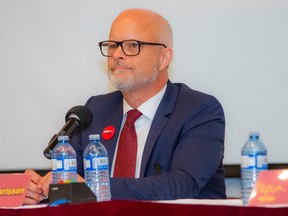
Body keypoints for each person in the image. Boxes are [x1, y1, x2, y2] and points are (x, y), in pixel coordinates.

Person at [24, 8, 226, 204]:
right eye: (112, 45)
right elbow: (71, 180)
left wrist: (94, 187)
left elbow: (183, 185)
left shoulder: (199, 110)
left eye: (132, 45)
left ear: (163, 58)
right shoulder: (95, 109)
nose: (117, 55)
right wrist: (42, 188)